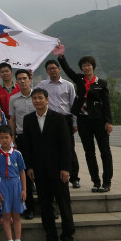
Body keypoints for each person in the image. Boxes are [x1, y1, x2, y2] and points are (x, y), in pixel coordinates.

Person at [23, 88, 76, 241]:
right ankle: (51, 237)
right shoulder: (28, 119)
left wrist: (66, 168)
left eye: (40, 98)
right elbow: (27, 145)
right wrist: (29, 166)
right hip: (39, 171)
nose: (37, 101)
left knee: (63, 204)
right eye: (34, 98)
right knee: (45, 206)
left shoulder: (59, 118)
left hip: (58, 170)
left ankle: (68, 237)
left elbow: (66, 145)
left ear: (47, 100)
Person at [56, 45, 113, 192]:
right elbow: (68, 70)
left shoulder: (101, 83)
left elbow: (106, 104)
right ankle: (96, 181)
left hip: (99, 120)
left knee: (104, 151)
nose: (86, 68)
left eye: (88, 65)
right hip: (83, 120)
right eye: (84, 66)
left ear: (93, 67)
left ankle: (107, 182)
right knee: (89, 152)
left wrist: (109, 121)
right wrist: (61, 57)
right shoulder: (79, 79)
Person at [35, 58, 81, 188]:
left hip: (65, 119)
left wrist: (75, 123)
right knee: (50, 148)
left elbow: (74, 105)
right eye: (49, 69)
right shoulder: (43, 85)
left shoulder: (68, 85)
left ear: (59, 69)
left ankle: (74, 177)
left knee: (69, 148)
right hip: (48, 119)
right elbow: (32, 92)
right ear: (47, 71)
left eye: (54, 68)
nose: (52, 71)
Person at [0, 125, 27, 241]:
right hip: (3, 184)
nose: (4, 140)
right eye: (2, 138)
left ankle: (18, 240)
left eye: (7, 137)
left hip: (16, 184)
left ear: (12, 138)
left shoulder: (17, 154)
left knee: (16, 215)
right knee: (6, 216)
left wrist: (24, 189)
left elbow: (22, 172)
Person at [8, 69, 35, 219]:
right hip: (22, 137)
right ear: (16, 81)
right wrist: (13, 139)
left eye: (25, 78)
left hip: (38, 139)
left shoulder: (38, 95)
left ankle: (50, 207)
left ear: (30, 79)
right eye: (19, 79)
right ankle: (29, 207)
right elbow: (12, 119)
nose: (22, 81)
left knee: (42, 173)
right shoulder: (13, 99)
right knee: (25, 172)